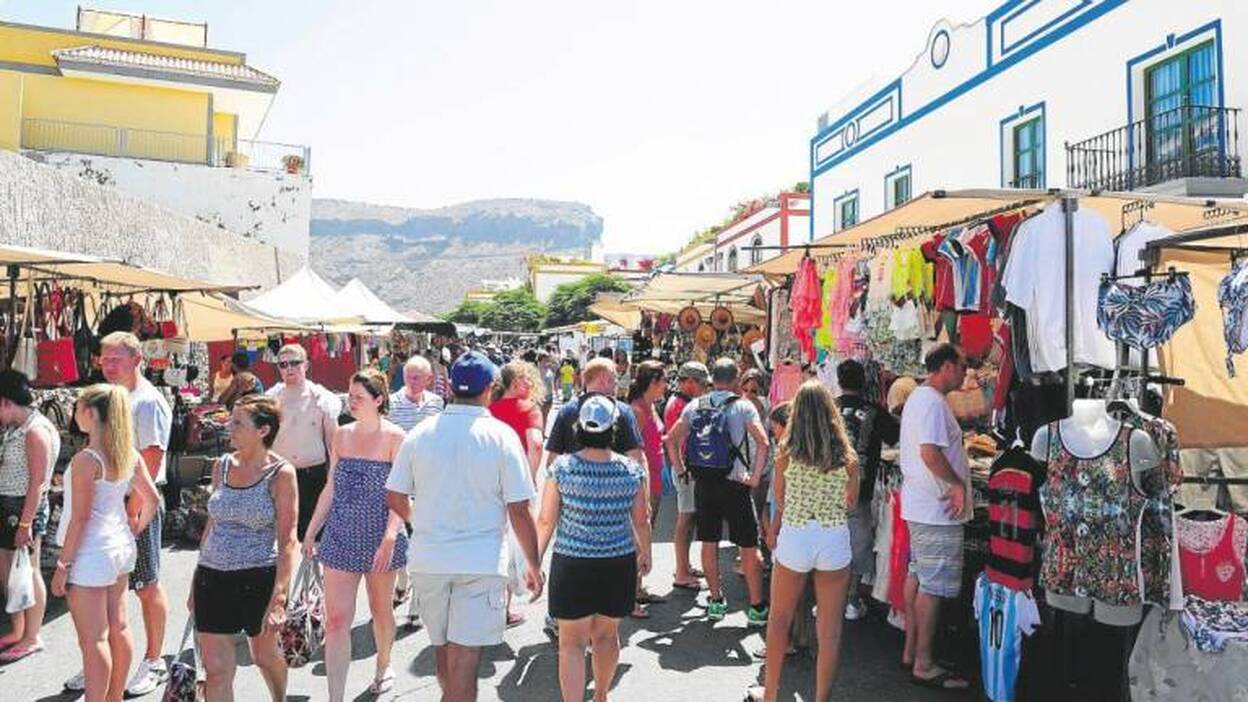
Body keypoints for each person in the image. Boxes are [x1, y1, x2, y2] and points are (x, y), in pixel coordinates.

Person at [385, 351, 543, 702]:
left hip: (429, 559)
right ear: (490, 388)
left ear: (451, 386)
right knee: (466, 657)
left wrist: (418, 521)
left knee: (443, 648)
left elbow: (395, 495)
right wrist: (533, 564)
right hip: (480, 560)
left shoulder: (421, 433)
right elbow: (519, 509)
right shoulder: (501, 436)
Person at [69, 331, 173, 697]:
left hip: (133, 501)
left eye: (115, 359)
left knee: (146, 585)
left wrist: (133, 512)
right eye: (104, 359)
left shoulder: (147, 401)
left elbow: (151, 458)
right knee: (113, 600)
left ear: (136, 360)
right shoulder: (112, 396)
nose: (107, 365)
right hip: (114, 503)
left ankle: (154, 659)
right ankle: (100, 664)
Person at [747, 381, 859, 702]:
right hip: (833, 536)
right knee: (830, 630)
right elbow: (851, 503)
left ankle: (770, 694)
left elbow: (780, 499)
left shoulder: (786, 454)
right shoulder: (848, 458)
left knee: (779, 620)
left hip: (796, 535)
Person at [535, 395, 651, 702]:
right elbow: (641, 520)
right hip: (617, 562)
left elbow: (546, 520)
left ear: (580, 427)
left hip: (572, 563)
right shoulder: (631, 469)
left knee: (571, 644)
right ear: (613, 428)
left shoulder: (561, 468)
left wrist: (534, 562)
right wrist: (646, 552)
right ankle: (601, 696)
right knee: (607, 636)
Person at [51, 384, 160, 702]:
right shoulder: (128, 454)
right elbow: (152, 499)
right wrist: (134, 528)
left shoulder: (87, 459)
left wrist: (62, 566)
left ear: (91, 412)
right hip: (119, 546)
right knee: (119, 626)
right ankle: (113, 697)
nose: (74, 413)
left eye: (77, 407)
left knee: (94, 639)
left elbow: (80, 518)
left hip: (91, 553)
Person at [303, 369, 407, 699]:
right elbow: (331, 487)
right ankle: (335, 696)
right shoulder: (341, 435)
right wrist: (312, 530)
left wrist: (390, 536)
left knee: (380, 610)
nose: (352, 401)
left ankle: (384, 663)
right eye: (350, 395)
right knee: (336, 620)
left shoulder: (395, 438)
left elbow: (402, 494)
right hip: (340, 536)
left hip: (380, 539)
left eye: (359, 397)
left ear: (378, 400)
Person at [191, 396, 297, 701]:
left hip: (258, 578)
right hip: (212, 577)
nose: (229, 427)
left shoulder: (281, 473)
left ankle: (279, 698)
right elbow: (212, 524)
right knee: (216, 671)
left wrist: (279, 598)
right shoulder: (222, 465)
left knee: (264, 657)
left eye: (238, 422)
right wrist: (196, 580)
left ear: (263, 430)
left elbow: (288, 539)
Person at [545, 356, 652, 619]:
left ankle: (562, 618)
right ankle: (626, 601)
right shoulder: (621, 411)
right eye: (614, 378)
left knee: (572, 632)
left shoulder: (567, 411)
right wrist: (644, 496)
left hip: (573, 525)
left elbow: (552, 460)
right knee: (607, 631)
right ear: (603, 379)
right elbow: (636, 457)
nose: (617, 384)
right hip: (616, 518)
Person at [667, 358, 770, 625]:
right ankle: (757, 607)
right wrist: (755, 477)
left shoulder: (695, 405)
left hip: (704, 483)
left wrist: (681, 470)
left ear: (712, 378)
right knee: (748, 545)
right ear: (736, 379)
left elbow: (671, 440)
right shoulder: (743, 406)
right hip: (736, 484)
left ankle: (715, 600)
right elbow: (763, 443)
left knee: (709, 541)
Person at [900, 344, 971, 691]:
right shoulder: (931, 402)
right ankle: (924, 663)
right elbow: (930, 453)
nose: (966, 372)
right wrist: (956, 484)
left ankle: (912, 651)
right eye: (963, 366)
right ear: (947, 366)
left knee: (919, 575)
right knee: (933, 585)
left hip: (923, 505)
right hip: (935, 509)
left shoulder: (920, 397)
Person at [0, 370, 60, 662]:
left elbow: (38, 483)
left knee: (29, 570)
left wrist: (26, 523)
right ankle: (19, 629)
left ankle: (32, 635)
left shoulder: (36, 430)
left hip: (23, 508)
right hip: (9, 505)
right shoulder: (17, 427)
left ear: (5, 401)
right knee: (9, 570)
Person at [835, 359, 900, 620]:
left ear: (839, 381)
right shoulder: (874, 411)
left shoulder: (828, 407)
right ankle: (851, 599)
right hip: (859, 490)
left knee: (829, 543)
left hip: (827, 490)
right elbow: (895, 437)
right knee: (857, 546)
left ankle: (828, 598)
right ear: (864, 383)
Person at [265, 343, 341, 542]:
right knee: (283, 536)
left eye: (295, 363)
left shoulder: (323, 399)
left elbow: (334, 443)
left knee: (315, 537)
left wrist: (334, 477)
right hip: (280, 475)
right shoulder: (271, 399)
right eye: (283, 364)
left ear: (306, 365)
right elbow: (263, 441)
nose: (289, 368)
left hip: (314, 475)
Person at [664, 362, 708, 592]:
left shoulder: (679, 402)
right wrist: (682, 470)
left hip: (685, 468)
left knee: (688, 520)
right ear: (689, 382)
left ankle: (684, 566)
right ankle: (681, 572)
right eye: (702, 384)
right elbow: (674, 442)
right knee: (685, 520)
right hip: (685, 470)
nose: (704, 388)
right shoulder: (680, 405)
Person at [490, 360, 546, 480]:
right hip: (518, 478)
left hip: (491, 477)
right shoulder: (530, 409)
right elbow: (536, 444)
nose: (531, 384)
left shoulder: (488, 409)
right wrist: (530, 479)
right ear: (515, 382)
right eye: (527, 379)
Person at [388, 355, 445, 433]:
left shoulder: (436, 403)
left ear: (428, 379)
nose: (411, 382)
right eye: (408, 377)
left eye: (416, 378)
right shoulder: (391, 404)